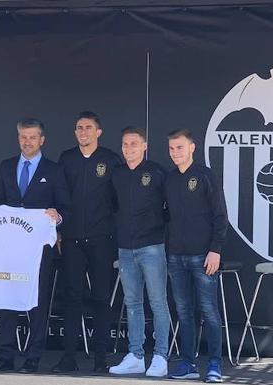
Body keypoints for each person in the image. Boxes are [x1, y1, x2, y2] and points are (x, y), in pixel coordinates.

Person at [0, 118, 70, 374]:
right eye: (23, 137)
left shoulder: (54, 170)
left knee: (38, 303)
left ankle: (33, 357)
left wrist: (58, 216)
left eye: (32, 137)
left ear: (42, 140)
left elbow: (65, 207)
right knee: (7, 300)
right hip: (8, 250)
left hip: (39, 251)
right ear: (18, 138)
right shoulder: (7, 166)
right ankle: (5, 355)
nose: (27, 141)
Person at [52, 111, 122, 373]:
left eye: (88, 128)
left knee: (102, 298)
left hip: (101, 239)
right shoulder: (66, 159)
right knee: (72, 297)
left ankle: (100, 358)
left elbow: (117, 202)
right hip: (70, 239)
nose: (83, 132)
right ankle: (69, 357)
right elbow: (59, 196)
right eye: (79, 128)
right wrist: (59, 230)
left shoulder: (111, 160)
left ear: (98, 132)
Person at [165, 129, 227, 383]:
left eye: (180, 147)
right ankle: (188, 363)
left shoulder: (205, 175)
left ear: (192, 147)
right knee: (183, 312)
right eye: (171, 148)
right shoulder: (169, 180)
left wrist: (216, 250)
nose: (175, 153)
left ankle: (214, 364)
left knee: (209, 310)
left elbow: (220, 216)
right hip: (176, 257)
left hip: (203, 256)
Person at [109, 126, 170, 377]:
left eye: (134, 144)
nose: (129, 149)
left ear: (144, 146)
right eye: (125, 144)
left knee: (157, 302)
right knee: (132, 302)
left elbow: (170, 208)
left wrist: (154, 227)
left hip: (152, 247)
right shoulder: (117, 174)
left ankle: (160, 356)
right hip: (126, 249)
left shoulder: (157, 172)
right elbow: (114, 206)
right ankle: (135, 355)